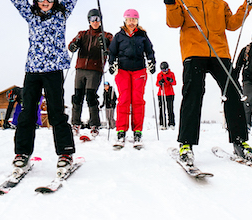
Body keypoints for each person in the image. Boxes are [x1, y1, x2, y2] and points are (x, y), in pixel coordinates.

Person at [0, 0, 97, 175]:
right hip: (33, 72)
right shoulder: (30, 14)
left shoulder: (62, 13)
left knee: (57, 112)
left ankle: (65, 153)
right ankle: (22, 153)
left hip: (54, 71)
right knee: (27, 112)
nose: (45, 1)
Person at [164, 0, 252, 165]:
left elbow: (232, 24)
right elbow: (174, 22)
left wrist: (246, 5)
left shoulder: (218, 3)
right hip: (194, 52)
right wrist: (169, 0)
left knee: (233, 91)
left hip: (219, 53)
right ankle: (186, 143)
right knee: (193, 93)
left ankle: (240, 141)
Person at [108, 9, 156, 148]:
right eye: (129, 20)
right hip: (122, 69)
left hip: (139, 69)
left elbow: (149, 51)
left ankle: (137, 131)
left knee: (137, 99)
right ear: (125, 20)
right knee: (124, 99)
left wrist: (152, 62)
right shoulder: (119, 36)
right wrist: (112, 64)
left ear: (137, 21)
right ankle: (121, 130)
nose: (131, 22)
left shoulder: (142, 35)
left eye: (134, 20)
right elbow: (112, 52)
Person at [68, 9, 113, 136]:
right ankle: (75, 123)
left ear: (101, 20)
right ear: (89, 20)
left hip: (95, 70)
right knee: (77, 96)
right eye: (93, 19)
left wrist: (105, 45)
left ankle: (94, 124)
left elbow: (112, 47)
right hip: (81, 68)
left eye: (97, 19)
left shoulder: (106, 35)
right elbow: (71, 46)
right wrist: (74, 45)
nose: (95, 22)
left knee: (90, 96)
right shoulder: (82, 34)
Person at [156, 61, 177, 130]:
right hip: (161, 94)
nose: (164, 71)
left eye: (165, 70)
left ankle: (171, 123)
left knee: (170, 108)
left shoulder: (171, 74)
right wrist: (160, 82)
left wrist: (170, 80)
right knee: (162, 109)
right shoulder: (159, 75)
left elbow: (174, 83)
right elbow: (157, 84)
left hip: (170, 93)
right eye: (163, 70)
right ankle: (162, 123)